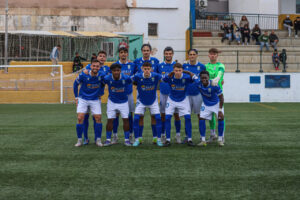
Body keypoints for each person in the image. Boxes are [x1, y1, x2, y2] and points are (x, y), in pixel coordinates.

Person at [162, 63, 198, 147]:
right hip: (171, 99)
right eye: (176, 70)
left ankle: (189, 139)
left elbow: (197, 80)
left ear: (182, 70)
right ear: (173, 71)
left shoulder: (186, 77)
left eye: (179, 70)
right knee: (167, 118)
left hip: (183, 99)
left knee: (188, 118)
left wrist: (189, 72)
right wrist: (168, 74)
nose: (177, 72)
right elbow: (163, 80)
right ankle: (167, 140)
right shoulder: (170, 77)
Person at [73, 59, 105, 147]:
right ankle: (79, 140)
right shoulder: (84, 74)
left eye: (97, 66)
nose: (95, 68)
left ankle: (98, 139)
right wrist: (76, 98)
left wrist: (101, 93)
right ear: (91, 66)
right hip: (83, 99)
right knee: (80, 118)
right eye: (94, 66)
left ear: (99, 67)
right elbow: (75, 84)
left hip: (95, 99)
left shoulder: (102, 75)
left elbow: (104, 83)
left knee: (98, 118)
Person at [131, 62, 164, 147]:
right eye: (145, 69)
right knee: (136, 118)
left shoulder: (156, 76)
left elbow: (165, 79)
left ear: (151, 69)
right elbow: (129, 80)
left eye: (148, 69)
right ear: (142, 69)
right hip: (141, 100)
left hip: (153, 100)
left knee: (157, 118)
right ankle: (138, 139)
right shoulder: (137, 76)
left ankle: (157, 139)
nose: (146, 71)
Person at [82, 50, 110, 145]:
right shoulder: (89, 67)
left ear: (105, 59)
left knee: (96, 118)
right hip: (86, 97)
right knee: (85, 117)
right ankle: (85, 138)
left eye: (104, 56)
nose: (102, 57)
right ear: (97, 58)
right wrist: (84, 71)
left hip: (97, 97)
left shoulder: (107, 69)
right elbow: (83, 74)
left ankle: (97, 138)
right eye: (100, 56)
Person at [133, 44, 160, 143]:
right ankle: (139, 138)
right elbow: (134, 76)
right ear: (141, 51)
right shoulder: (137, 62)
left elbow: (158, 75)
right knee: (140, 116)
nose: (146, 52)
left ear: (150, 51)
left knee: (154, 116)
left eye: (147, 50)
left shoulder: (155, 61)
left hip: (152, 91)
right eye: (144, 50)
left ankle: (155, 138)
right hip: (141, 92)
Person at [102, 63, 132, 147]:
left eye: (118, 70)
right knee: (110, 120)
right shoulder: (107, 78)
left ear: (120, 71)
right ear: (111, 71)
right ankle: (108, 140)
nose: (116, 72)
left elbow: (131, 82)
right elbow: (101, 83)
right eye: (114, 71)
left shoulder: (126, 78)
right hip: (112, 101)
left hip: (124, 102)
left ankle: (127, 140)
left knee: (126, 120)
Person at [157, 47, 182, 144]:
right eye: (166, 53)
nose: (168, 55)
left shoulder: (176, 66)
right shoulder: (160, 66)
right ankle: (163, 135)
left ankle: (178, 135)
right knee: (163, 115)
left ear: (172, 54)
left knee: (176, 115)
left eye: (170, 53)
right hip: (163, 93)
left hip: (174, 94)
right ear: (164, 54)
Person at [111, 47, 136, 144]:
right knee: (115, 116)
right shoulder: (114, 65)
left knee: (129, 115)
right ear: (119, 54)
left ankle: (130, 135)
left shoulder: (132, 65)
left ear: (127, 54)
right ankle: (115, 136)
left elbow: (136, 76)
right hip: (117, 94)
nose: (123, 54)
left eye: (125, 52)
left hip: (128, 94)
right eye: (121, 52)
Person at [182, 49, 206, 143]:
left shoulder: (202, 67)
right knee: (187, 116)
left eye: (193, 54)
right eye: (190, 54)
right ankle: (187, 136)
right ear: (188, 56)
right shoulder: (184, 66)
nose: (192, 56)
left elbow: (205, 79)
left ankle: (202, 136)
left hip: (198, 94)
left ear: (197, 55)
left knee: (200, 116)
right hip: (186, 94)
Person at [197, 70, 225, 147]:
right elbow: (192, 75)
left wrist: (220, 110)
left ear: (208, 78)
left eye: (205, 78)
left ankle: (220, 139)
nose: (204, 80)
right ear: (200, 78)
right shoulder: (198, 83)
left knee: (220, 118)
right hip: (206, 104)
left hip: (216, 104)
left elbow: (221, 98)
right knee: (201, 119)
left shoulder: (214, 85)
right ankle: (203, 140)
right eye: (202, 78)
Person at [205, 48, 225, 143]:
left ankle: (221, 137)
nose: (212, 55)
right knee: (210, 116)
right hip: (208, 94)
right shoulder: (206, 66)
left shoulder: (220, 65)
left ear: (217, 55)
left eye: (214, 54)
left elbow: (220, 73)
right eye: (211, 54)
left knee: (220, 115)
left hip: (218, 94)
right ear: (208, 55)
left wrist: (217, 78)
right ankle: (213, 134)